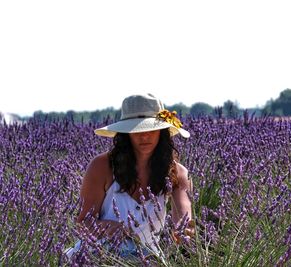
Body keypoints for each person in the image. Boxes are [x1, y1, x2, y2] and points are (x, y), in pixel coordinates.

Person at [65, 93, 194, 261]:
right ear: (125, 134)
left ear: (162, 132)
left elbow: (184, 221)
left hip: (147, 258)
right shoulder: (102, 166)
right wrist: (107, 227)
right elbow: (82, 224)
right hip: (97, 256)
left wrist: (182, 231)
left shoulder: (178, 173)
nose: (144, 136)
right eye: (137, 130)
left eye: (151, 129)